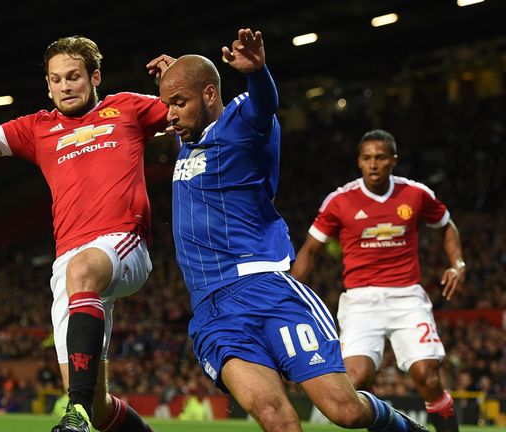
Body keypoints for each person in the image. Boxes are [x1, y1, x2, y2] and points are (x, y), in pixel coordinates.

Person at [149, 28, 429, 432]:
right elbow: (192, 107)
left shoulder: (242, 124)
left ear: (210, 95)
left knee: (345, 411)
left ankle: (403, 427)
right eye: (167, 104)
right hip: (212, 311)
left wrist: (258, 73)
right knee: (275, 417)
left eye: (179, 103)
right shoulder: (189, 141)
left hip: (265, 289)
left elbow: (264, 105)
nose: (170, 114)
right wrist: (177, 75)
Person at [0, 35, 169, 432]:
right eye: (57, 79)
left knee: (83, 276)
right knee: (98, 405)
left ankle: (75, 414)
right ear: (48, 85)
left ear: (94, 76)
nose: (66, 86)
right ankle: (87, 411)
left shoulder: (127, 108)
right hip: (69, 262)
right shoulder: (36, 128)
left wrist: (177, 78)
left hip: (123, 242)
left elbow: (192, 111)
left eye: (74, 76)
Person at [291, 128, 465, 432]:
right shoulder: (340, 201)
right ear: (359, 162)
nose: (373, 164)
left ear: (393, 161)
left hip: (407, 297)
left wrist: (458, 263)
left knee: (428, 377)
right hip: (360, 302)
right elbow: (309, 250)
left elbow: (446, 226)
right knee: (354, 381)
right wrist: (289, 296)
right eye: (367, 158)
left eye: (381, 158)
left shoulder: (415, 194)